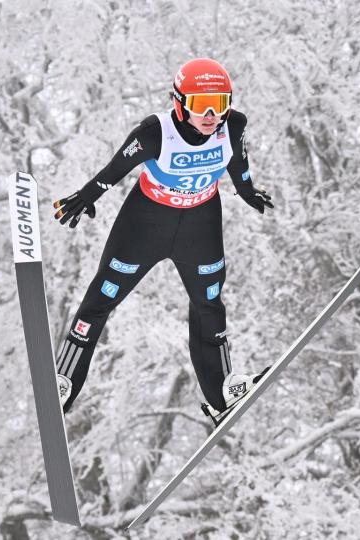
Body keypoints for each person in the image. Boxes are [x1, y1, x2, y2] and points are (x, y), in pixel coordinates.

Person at [52, 58, 273, 425]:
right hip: (145, 223)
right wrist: (86, 196)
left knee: (209, 304)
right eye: (202, 106)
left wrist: (248, 192)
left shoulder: (233, 125)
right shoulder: (155, 132)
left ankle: (222, 393)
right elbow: (114, 170)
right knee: (101, 299)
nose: (211, 115)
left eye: (220, 104)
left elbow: (239, 162)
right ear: (179, 103)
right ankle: (63, 382)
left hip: (199, 224)